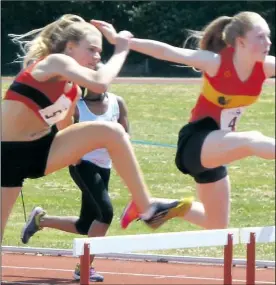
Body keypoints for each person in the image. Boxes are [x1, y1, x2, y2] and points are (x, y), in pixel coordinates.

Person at [1, 14, 193, 243]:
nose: (97, 56)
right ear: (70, 47)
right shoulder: (54, 62)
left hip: (41, 152)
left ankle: (147, 208)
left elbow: (65, 129)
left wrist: (86, 168)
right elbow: (100, 82)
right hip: (7, 154)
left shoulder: (72, 90)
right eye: (91, 49)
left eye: (100, 52)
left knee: (112, 132)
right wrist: (121, 49)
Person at [92, 11, 275, 229]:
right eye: (261, 37)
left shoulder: (265, 67)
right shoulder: (215, 62)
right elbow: (166, 51)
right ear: (241, 42)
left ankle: (165, 206)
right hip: (196, 142)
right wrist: (120, 42)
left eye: (269, 36)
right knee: (252, 140)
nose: (268, 42)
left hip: (218, 150)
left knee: (217, 227)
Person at [20, 62, 131, 282]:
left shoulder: (118, 103)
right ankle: (84, 268)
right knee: (105, 214)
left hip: (105, 166)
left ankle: (40, 221)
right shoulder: (75, 105)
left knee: (85, 224)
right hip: (82, 164)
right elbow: (53, 127)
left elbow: (125, 135)